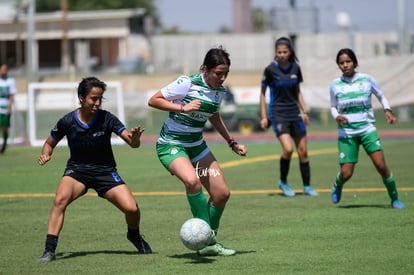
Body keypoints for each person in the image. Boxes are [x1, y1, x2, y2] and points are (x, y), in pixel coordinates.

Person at [37, 77, 152, 263]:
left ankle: (134, 235)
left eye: (100, 99)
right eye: (93, 99)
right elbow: (49, 143)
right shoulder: (67, 121)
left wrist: (136, 138)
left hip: (105, 172)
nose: (97, 103)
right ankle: (49, 250)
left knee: (132, 208)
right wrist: (46, 153)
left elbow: (132, 143)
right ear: (81, 98)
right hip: (77, 172)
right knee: (60, 200)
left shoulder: (107, 118)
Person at [148, 46, 247, 256]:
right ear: (205, 69)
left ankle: (208, 241)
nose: (222, 78)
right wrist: (182, 108)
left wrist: (232, 142)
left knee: (221, 194)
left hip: (196, 146)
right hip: (171, 145)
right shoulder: (187, 82)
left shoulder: (219, 91)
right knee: (192, 181)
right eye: (218, 73)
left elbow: (214, 115)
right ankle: (209, 239)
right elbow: (154, 100)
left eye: (225, 74)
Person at [329, 48, 404, 209]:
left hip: (367, 130)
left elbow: (381, 96)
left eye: (348, 61)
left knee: (381, 166)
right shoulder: (335, 85)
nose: (345, 65)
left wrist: (387, 110)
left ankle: (395, 199)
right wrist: (336, 116)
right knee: (347, 173)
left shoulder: (367, 79)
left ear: (355, 62)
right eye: (341, 63)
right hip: (347, 133)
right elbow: (333, 106)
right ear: (338, 66)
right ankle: (337, 184)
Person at [259, 37, 318, 197]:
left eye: (285, 52)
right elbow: (262, 94)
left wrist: (304, 111)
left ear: (290, 52)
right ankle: (283, 182)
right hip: (278, 114)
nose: (282, 54)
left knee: (303, 151)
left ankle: (307, 186)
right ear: (275, 53)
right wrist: (264, 116)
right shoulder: (270, 70)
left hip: (295, 114)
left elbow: (298, 91)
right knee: (288, 149)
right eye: (279, 52)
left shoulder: (295, 68)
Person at [0, 63, 17, 154]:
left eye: (5, 69)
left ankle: (4, 144)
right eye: (2, 69)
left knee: (4, 128)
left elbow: (11, 95)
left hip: (5, 108)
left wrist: (9, 107)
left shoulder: (10, 81)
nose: (3, 71)